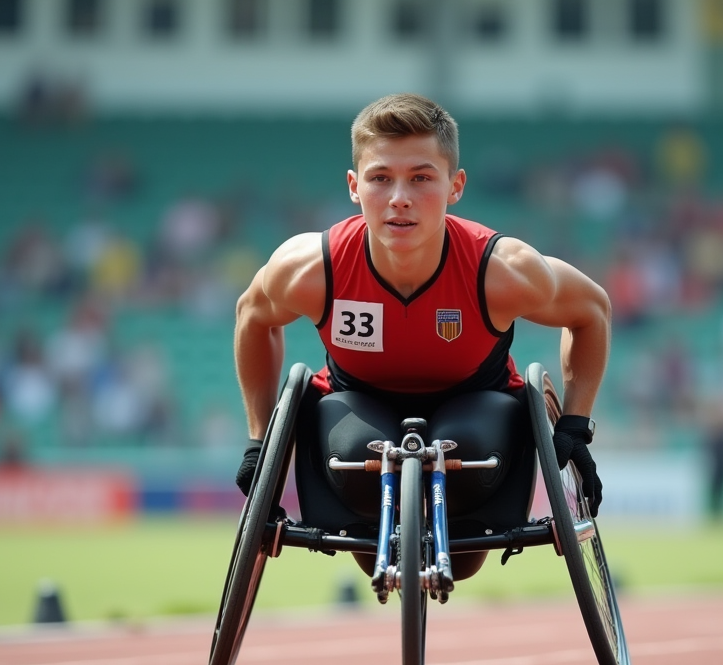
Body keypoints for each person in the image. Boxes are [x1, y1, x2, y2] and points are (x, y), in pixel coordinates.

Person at [232, 94, 611, 580]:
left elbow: (591, 310)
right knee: (360, 480)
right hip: (356, 407)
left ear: (456, 186)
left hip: (478, 407)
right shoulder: (312, 269)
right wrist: (258, 442)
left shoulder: (502, 271)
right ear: (354, 186)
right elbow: (252, 316)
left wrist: (576, 426)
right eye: (381, 178)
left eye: (421, 178)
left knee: (467, 494)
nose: (399, 198)